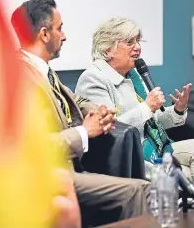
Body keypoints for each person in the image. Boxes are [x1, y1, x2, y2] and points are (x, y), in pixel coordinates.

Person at [11, 0, 151, 227]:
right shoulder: (21, 79)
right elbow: (30, 150)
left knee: (141, 187)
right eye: (60, 28)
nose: (64, 36)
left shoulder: (42, 70)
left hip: (70, 170)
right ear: (44, 34)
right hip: (46, 177)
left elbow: (75, 98)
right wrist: (84, 132)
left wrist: (100, 110)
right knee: (140, 190)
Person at [75, 17, 194, 182]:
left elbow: (151, 121)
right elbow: (111, 131)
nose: (138, 47)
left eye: (138, 41)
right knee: (184, 177)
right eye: (130, 42)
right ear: (108, 48)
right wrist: (147, 107)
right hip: (131, 160)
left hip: (156, 146)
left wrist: (177, 110)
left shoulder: (133, 75)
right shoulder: (93, 79)